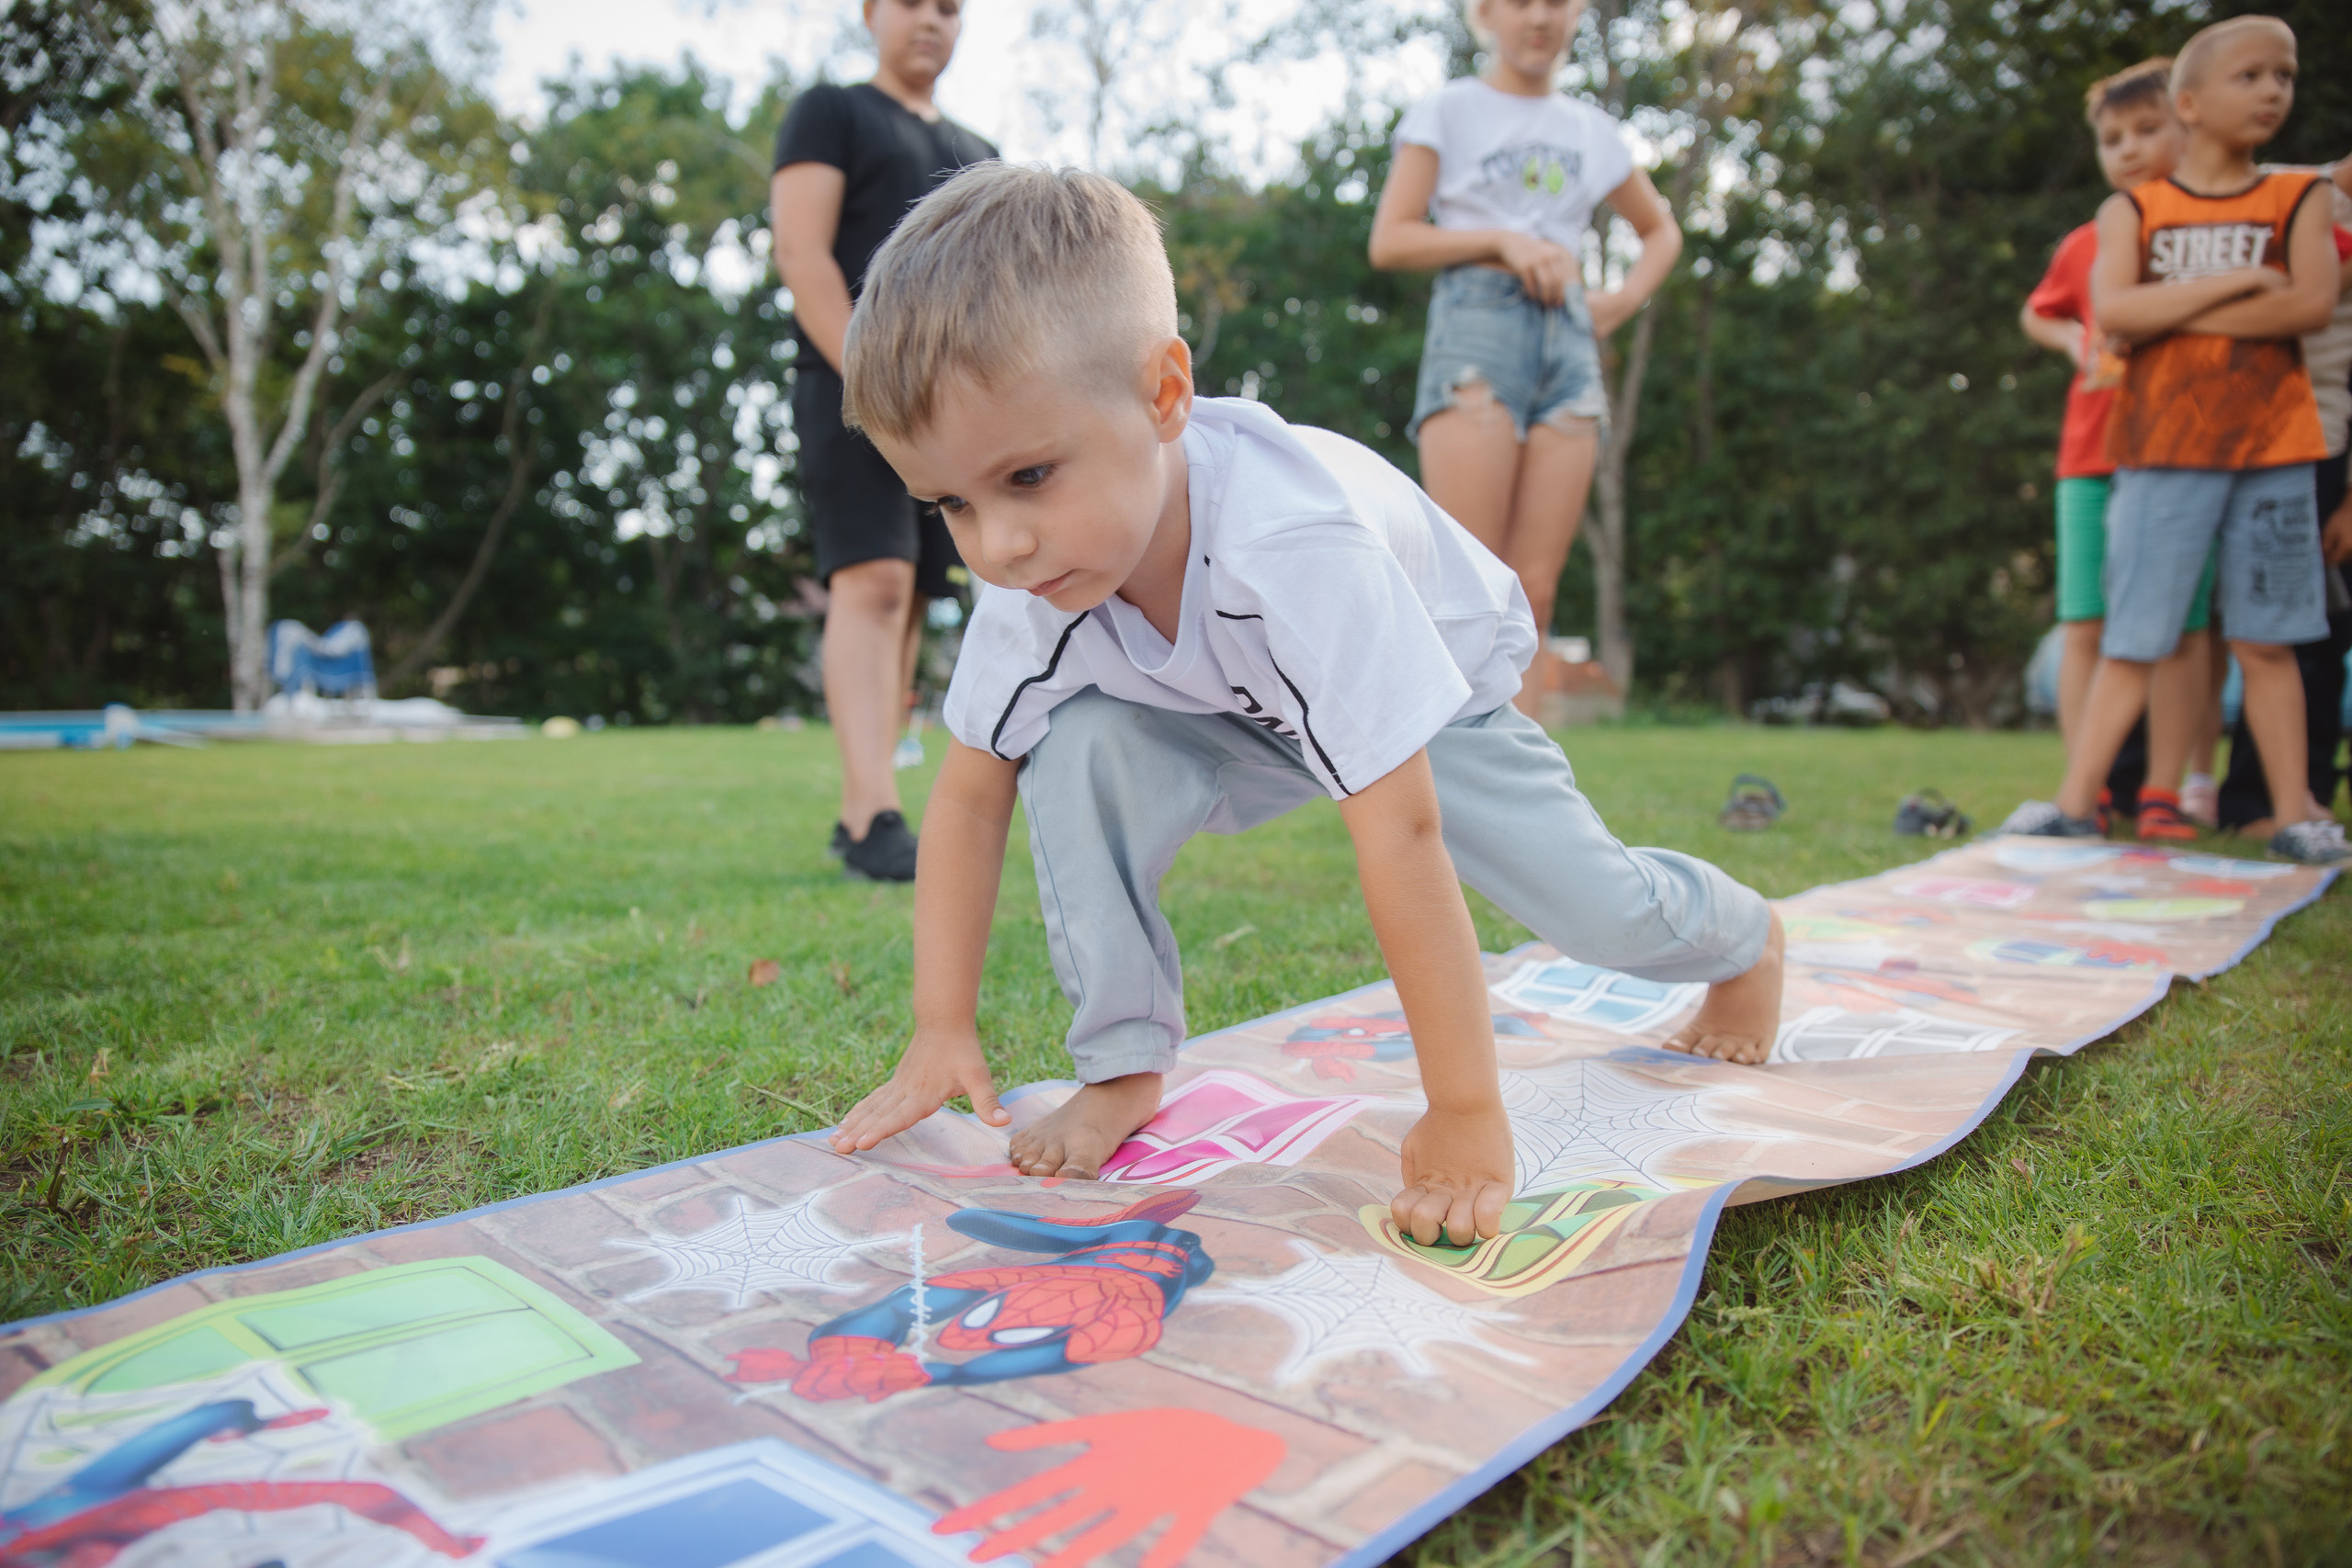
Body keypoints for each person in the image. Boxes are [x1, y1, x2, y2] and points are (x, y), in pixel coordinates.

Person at [821, 164, 1785, 1248]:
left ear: (1163, 396)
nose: (998, 544)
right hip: (1227, 706)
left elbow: (1403, 832)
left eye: (1031, 476)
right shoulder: (1032, 584)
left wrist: (1463, 1109)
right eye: (951, 502)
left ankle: (1741, 938)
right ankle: (1125, 1064)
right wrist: (939, 1025)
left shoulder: (1295, 547)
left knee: (1595, 911)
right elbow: (963, 798)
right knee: (1079, 745)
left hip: (1428, 697)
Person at [1998, 16, 2349, 865]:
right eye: (2252, 77)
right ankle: (2077, 803)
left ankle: (2298, 810)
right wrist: (2239, 281)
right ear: (2189, 105)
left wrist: (2179, 306)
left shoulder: (2297, 199)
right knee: (2134, 633)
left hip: (2275, 454)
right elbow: (2116, 310)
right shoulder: (2133, 211)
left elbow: (2308, 303)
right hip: (2160, 454)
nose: (2274, 92)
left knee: (2269, 638)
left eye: (2285, 77)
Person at [1367, 0, 1681, 716]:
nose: (1539, 18)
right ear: (1486, 13)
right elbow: (1391, 239)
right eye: (1520, 2)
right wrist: (1501, 241)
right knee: (1471, 592)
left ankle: (1528, 815)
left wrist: (1622, 298)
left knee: (1532, 594)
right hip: (1477, 329)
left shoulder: (1592, 132)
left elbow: (1661, 231)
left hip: (1566, 343)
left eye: (1558, 3)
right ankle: (1446, 803)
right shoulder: (1449, 111)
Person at [772, 0, 996, 880]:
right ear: (871, 15)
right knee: (871, 580)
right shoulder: (831, 111)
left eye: (950, 8)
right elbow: (802, 253)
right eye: (912, 3)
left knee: (910, 599)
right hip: (850, 389)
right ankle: (873, 815)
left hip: (951, 416)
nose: (931, 20)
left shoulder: (981, 154)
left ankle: (868, 799)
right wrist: (873, 384)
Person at [2020, 60, 2222, 840]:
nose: (2130, 148)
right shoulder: (2086, 241)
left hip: (2182, 453)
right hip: (2091, 456)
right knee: (2084, 623)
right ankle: (2089, 784)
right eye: (2113, 138)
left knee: (2183, 627)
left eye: (2148, 130)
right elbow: (2039, 311)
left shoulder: (2210, 233)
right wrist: (2071, 335)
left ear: (2189, 122)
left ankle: (2165, 790)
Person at [2215, 155, 2352, 837]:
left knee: (2317, 628)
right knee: (2276, 628)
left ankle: (2301, 800)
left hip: (2324, 442)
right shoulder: (2284, 194)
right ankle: (2254, 801)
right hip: (2245, 437)